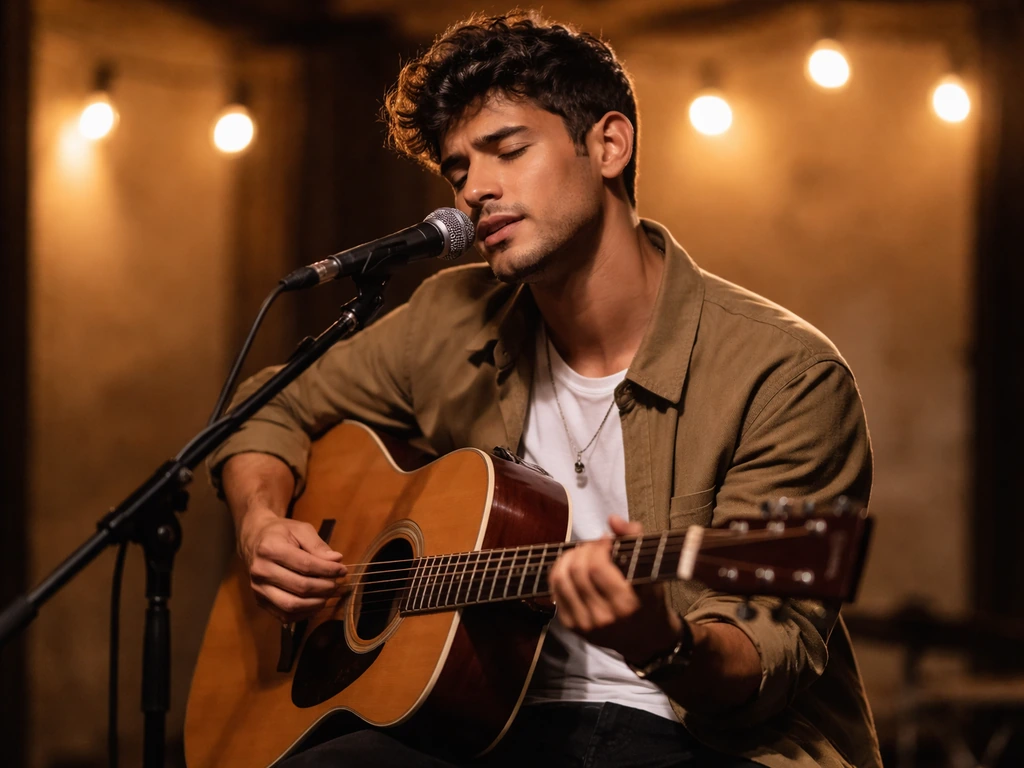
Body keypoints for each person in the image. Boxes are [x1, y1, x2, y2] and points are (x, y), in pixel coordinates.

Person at [208, 10, 880, 768]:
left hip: (701, 734)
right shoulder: (448, 318)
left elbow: (765, 660)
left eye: (507, 150)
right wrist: (261, 520)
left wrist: (662, 644)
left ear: (609, 145)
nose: (475, 192)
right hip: (487, 719)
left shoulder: (783, 374)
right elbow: (264, 402)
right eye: (458, 169)